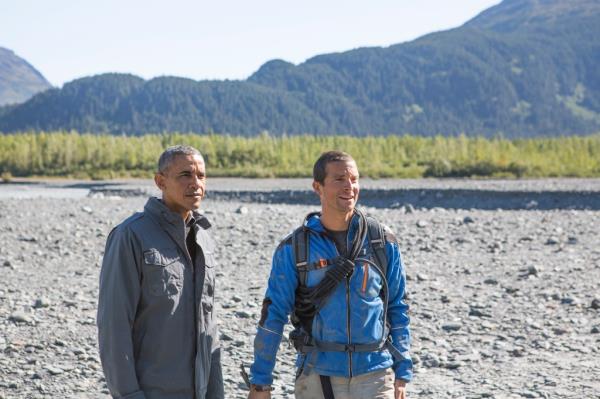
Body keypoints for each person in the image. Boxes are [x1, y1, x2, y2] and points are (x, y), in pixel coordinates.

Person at [247, 151, 412, 399]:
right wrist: (261, 383)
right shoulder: (295, 249)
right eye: (339, 179)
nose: (349, 187)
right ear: (318, 187)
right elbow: (273, 316)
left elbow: (398, 306)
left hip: (376, 374)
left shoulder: (381, 242)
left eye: (354, 179)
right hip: (318, 374)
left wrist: (402, 372)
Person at [97, 145, 223, 399]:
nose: (196, 183)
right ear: (160, 181)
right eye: (185, 175)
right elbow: (114, 325)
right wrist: (129, 394)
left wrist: (215, 392)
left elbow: (209, 327)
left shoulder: (203, 239)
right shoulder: (131, 236)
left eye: (201, 175)